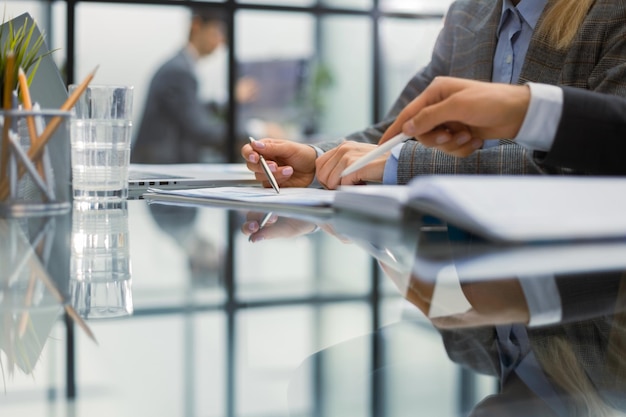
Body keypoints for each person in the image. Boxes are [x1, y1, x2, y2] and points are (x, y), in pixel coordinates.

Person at [242, 0, 626, 189]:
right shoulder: (469, 13)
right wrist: (318, 159)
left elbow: (591, 162)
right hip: (478, 275)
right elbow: (399, 131)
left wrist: (401, 165)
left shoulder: (612, 12)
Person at [380, 76, 626, 175]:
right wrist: (341, 150)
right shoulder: (468, 11)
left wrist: (400, 162)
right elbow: (397, 125)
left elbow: (598, 161)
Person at [132, 7, 256, 164]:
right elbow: (201, 130)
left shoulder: (180, 66)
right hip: (162, 170)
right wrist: (256, 130)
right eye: (217, 32)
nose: (221, 41)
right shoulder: (178, 72)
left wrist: (231, 99)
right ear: (197, 25)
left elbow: (192, 109)